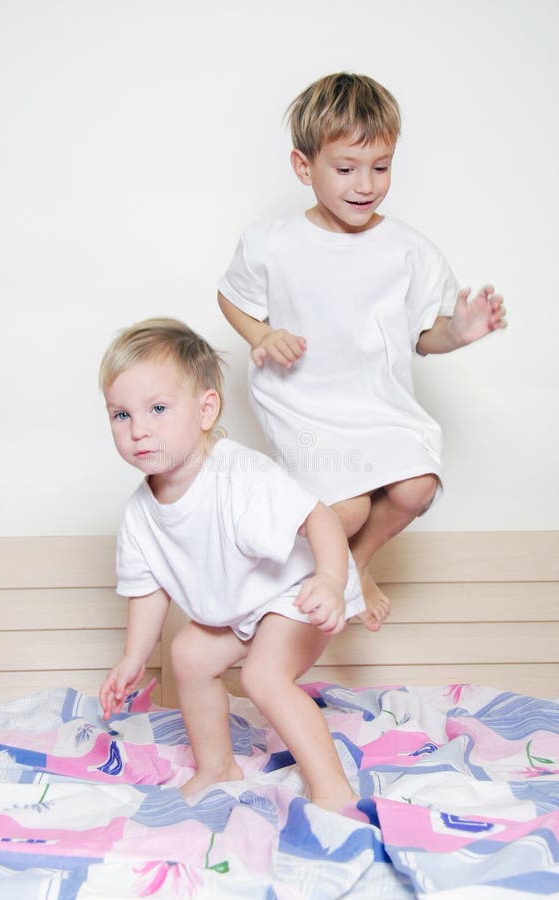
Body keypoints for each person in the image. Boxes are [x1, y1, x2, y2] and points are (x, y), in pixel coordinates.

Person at [217, 71, 507, 632]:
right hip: (303, 403)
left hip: (378, 404)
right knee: (344, 510)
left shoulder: (409, 251)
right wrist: (261, 335)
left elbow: (425, 334)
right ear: (305, 167)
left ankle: (353, 562)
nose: (365, 184)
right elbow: (231, 299)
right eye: (346, 168)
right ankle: (316, 578)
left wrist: (460, 332)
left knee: (417, 485)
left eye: (381, 167)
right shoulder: (272, 243)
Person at [98, 317, 364, 813]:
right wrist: (133, 658)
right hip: (243, 607)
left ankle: (333, 790)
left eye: (157, 408)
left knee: (264, 676)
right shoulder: (139, 513)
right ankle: (217, 766)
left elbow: (318, 515)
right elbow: (148, 589)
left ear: (205, 410)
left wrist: (330, 578)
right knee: (189, 655)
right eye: (121, 415)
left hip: (298, 591)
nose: (138, 430)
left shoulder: (238, 474)